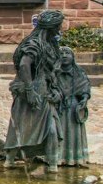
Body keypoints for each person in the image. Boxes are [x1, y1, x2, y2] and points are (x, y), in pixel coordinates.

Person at [4, 10, 65, 172]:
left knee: (51, 128)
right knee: (20, 124)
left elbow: (53, 69)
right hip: (30, 91)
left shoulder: (51, 44)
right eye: (58, 26)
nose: (60, 29)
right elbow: (24, 65)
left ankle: (52, 163)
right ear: (51, 27)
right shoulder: (35, 44)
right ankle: (10, 158)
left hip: (44, 90)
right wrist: (30, 90)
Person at [54, 47, 91, 167]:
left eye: (67, 53)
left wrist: (84, 99)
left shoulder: (79, 72)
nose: (64, 55)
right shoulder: (53, 72)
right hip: (58, 106)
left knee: (73, 132)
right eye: (61, 53)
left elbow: (85, 86)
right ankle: (56, 156)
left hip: (73, 107)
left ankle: (75, 157)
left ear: (72, 57)